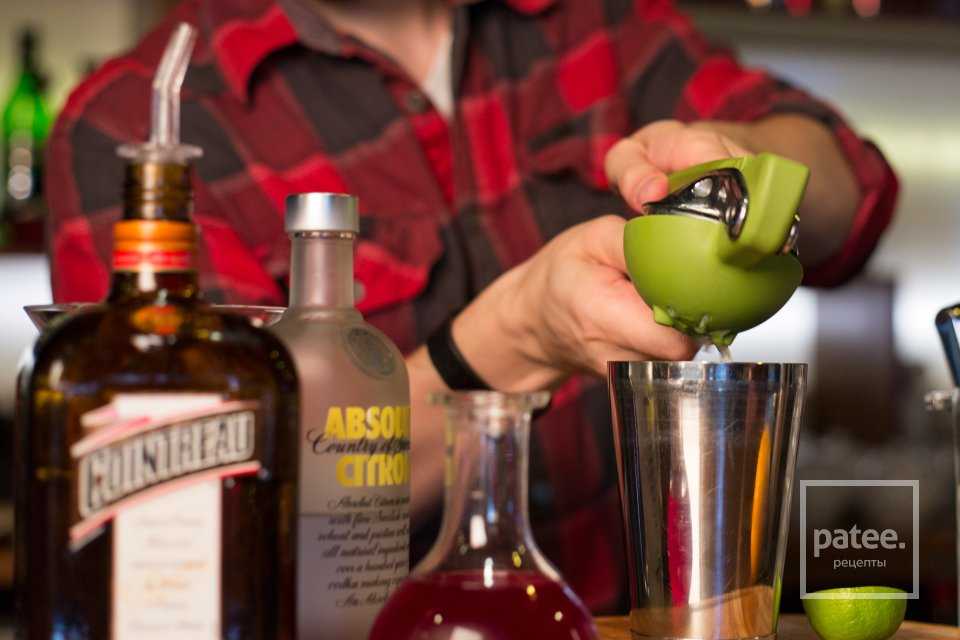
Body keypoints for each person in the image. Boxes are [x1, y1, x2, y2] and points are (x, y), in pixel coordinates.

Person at [46, 0, 898, 612]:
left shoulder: (595, 23)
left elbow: (853, 187)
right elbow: (218, 515)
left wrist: (743, 170)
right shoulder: (133, 123)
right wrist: (518, 337)